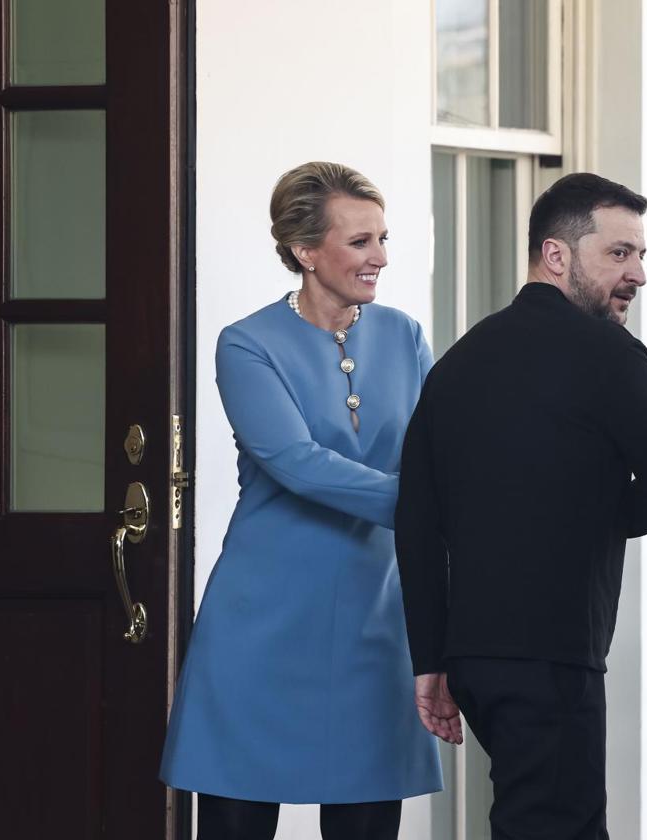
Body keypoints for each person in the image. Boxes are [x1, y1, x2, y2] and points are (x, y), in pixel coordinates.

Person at [395, 172, 647, 840]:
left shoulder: (456, 363)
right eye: (619, 253)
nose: (637, 273)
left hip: (471, 659)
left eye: (640, 255)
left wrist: (431, 662)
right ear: (556, 255)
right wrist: (589, 516)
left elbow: (417, 520)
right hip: (553, 655)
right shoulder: (610, 355)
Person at [159, 162, 441, 839]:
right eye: (360, 242)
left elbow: (437, 458)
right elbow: (296, 464)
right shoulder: (247, 343)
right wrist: (426, 511)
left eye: (383, 239)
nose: (379, 258)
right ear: (305, 251)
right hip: (260, 629)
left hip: (376, 625)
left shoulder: (403, 335)